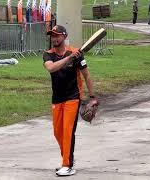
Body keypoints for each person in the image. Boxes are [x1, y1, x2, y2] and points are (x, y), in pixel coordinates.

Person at [43, 25, 98, 176]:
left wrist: (92, 98)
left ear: (64, 37)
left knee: (68, 131)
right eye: (52, 35)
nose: (54, 38)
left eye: (57, 35)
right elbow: (51, 68)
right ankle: (69, 159)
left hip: (73, 97)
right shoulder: (48, 55)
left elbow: (86, 75)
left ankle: (67, 164)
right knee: (57, 132)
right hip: (57, 98)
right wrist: (69, 58)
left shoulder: (76, 54)